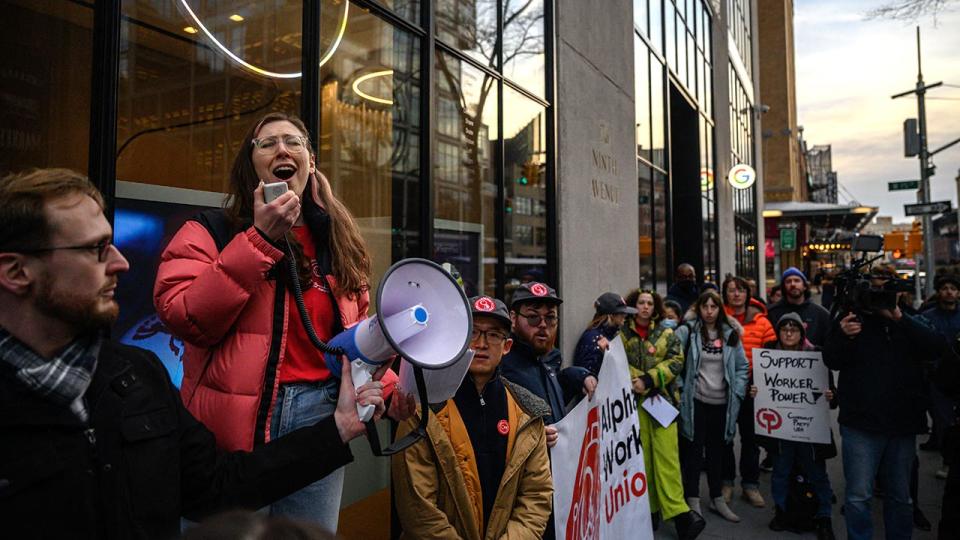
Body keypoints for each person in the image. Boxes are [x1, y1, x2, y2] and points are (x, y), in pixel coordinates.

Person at [0, 168, 388, 538]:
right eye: (96, 249)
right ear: (16, 272)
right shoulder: (211, 233)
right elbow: (189, 314)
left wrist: (337, 428)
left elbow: (217, 486)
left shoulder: (137, 376)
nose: (121, 262)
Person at [154, 112, 411, 530]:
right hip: (234, 423)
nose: (281, 150)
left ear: (310, 161)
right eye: (267, 143)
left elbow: (353, 333)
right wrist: (259, 240)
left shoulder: (338, 244)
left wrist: (388, 386)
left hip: (321, 420)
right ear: (249, 165)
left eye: (293, 142)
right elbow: (185, 317)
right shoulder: (209, 231)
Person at [392, 296, 553, 539]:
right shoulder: (422, 408)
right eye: (473, 332)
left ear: (507, 346)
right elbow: (418, 508)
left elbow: (536, 497)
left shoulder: (527, 412)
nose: (482, 343)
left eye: (494, 335)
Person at [823, 269, 943, 540]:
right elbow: (831, 359)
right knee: (858, 496)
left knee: (900, 497)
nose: (879, 296)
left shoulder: (912, 319)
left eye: (884, 290)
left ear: (899, 291)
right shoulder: (850, 319)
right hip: (860, 424)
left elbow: (937, 347)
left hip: (902, 424)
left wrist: (900, 318)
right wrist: (843, 335)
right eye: (873, 290)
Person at [621, 289, 705, 540]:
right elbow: (616, 363)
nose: (645, 307)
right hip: (633, 405)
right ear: (634, 306)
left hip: (662, 402)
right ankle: (650, 511)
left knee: (668, 459)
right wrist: (635, 378)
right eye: (640, 303)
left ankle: (680, 514)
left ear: (655, 307)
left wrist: (649, 379)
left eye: (649, 303)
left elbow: (677, 361)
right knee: (642, 459)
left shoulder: (667, 333)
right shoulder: (622, 334)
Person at [760, 313, 837, 540]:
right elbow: (761, 390)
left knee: (817, 474)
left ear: (802, 333)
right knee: (780, 472)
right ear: (779, 332)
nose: (789, 333)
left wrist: (831, 396)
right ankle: (782, 511)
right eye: (785, 329)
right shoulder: (768, 356)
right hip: (781, 431)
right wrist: (755, 392)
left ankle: (824, 517)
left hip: (809, 431)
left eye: (794, 329)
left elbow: (833, 398)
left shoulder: (816, 356)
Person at [675, 290, 749, 523]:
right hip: (696, 403)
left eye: (713, 307)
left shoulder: (730, 335)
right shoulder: (689, 332)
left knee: (718, 452)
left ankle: (717, 498)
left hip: (722, 405)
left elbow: (742, 367)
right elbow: (675, 360)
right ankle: (693, 498)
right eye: (704, 306)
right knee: (694, 453)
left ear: (720, 309)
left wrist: (737, 391)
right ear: (699, 308)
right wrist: (679, 389)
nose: (709, 311)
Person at [501, 281, 597, 432]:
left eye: (550, 317)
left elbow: (550, 399)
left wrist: (578, 376)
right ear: (513, 319)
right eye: (533, 317)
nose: (543, 325)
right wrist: (535, 439)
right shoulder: (501, 362)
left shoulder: (549, 359)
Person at [720, 276, 775, 508]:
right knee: (724, 437)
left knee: (751, 439)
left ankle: (750, 485)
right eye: (731, 290)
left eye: (741, 290)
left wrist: (761, 383)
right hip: (722, 384)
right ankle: (726, 482)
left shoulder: (762, 322)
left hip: (753, 386)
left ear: (748, 294)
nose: (736, 294)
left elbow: (773, 356)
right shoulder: (717, 319)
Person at [920, 275, 960, 477]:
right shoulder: (928, 316)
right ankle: (948, 461)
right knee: (944, 421)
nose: (949, 292)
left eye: (953, 288)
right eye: (945, 288)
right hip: (938, 378)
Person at [573, 292, 637, 376]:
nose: (625, 316)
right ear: (611, 315)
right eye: (621, 313)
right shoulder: (593, 338)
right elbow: (588, 376)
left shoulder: (609, 334)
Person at [767, 267, 832, 346]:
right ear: (783, 287)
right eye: (788, 281)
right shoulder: (772, 312)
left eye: (797, 281)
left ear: (804, 286)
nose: (793, 284)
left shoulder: (821, 314)